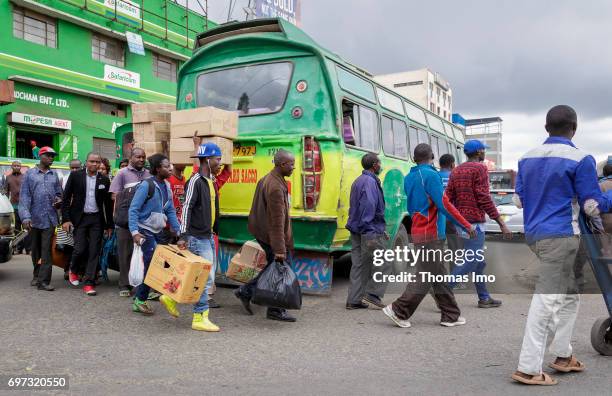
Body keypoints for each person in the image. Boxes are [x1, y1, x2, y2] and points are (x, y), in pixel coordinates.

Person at [511, 105, 612, 386]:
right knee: (548, 299)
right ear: (574, 128)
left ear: (546, 128)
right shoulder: (581, 158)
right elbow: (592, 206)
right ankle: (528, 368)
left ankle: (563, 355)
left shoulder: (526, 157)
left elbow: (519, 201)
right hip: (561, 237)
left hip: (534, 236)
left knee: (569, 296)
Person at [382, 144, 475, 328]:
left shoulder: (409, 177)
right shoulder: (431, 175)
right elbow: (444, 205)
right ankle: (398, 310)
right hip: (430, 234)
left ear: (414, 158)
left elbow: (412, 207)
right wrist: (466, 225)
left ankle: (450, 315)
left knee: (439, 276)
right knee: (425, 276)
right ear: (432, 156)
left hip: (419, 231)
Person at [159, 143, 222, 332]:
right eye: (217, 159)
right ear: (207, 160)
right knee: (204, 278)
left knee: (200, 276)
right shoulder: (196, 180)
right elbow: (186, 208)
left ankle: (170, 296)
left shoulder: (210, 180)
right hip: (196, 236)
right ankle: (199, 317)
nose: (220, 163)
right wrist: (183, 235)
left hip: (207, 235)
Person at [445, 140, 510, 308]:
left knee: (479, 262)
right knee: (471, 259)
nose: (484, 152)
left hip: (462, 223)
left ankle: (484, 297)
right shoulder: (480, 168)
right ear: (479, 152)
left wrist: (455, 220)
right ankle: (443, 290)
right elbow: (484, 197)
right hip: (474, 223)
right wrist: (500, 222)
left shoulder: (456, 170)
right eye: (483, 150)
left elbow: (448, 198)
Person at [234, 149, 297, 322]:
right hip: (272, 237)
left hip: (263, 233)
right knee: (281, 271)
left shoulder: (268, 178)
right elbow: (276, 222)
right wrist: (279, 250)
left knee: (273, 269)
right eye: (291, 164)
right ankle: (275, 310)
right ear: (282, 164)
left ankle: (245, 292)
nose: (294, 167)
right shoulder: (275, 186)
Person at [129, 153, 181, 315]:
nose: (170, 168)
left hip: (159, 231)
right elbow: (133, 209)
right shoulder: (147, 185)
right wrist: (135, 232)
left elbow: (170, 210)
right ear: (158, 169)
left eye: (170, 165)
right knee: (152, 265)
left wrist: (178, 231)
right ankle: (140, 300)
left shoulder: (166, 186)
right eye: (166, 166)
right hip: (145, 231)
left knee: (165, 263)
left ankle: (150, 295)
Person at [61, 153, 114, 296]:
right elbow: (65, 199)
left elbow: (108, 205)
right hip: (80, 218)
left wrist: (109, 225)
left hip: (96, 219)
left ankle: (89, 283)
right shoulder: (76, 176)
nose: (95, 165)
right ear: (86, 162)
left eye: (97, 162)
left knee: (94, 250)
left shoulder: (104, 179)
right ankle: (73, 269)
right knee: (79, 248)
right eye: (92, 161)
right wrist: (65, 219)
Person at [345, 153, 391, 310]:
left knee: (359, 264)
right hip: (367, 230)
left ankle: (354, 300)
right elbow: (369, 206)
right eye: (379, 162)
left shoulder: (358, 181)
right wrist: (371, 230)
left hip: (356, 229)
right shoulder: (370, 182)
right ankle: (373, 294)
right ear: (374, 165)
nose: (380, 165)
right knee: (384, 261)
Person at [18, 147, 63, 291]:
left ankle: (44, 281)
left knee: (47, 250)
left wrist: (58, 200)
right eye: (49, 156)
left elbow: (59, 193)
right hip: (34, 218)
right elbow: (24, 197)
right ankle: (36, 275)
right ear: (41, 156)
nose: (51, 158)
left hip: (50, 218)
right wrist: (25, 217)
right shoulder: (30, 174)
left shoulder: (53, 175)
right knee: (35, 250)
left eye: (53, 156)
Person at [110, 148, 150, 297]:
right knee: (125, 254)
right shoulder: (122, 173)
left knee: (142, 254)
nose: (141, 159)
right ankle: (124, 285)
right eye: (138, 157)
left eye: (143, 157)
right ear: (130, 157)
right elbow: (114, 196)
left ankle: (140, 284)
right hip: (125, 220)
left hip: (143, 221)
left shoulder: (148, 174)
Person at [438, 154, 461, 274]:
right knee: (455, 249)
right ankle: (456, 280)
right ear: (452, 164)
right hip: (452, 219)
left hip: (437, 218)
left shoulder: (435, 176)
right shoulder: (455, 177)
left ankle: (438, 279)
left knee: (437, 249)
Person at [5, 160, 30, 254]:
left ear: (21, 167)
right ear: (11, 167)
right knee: (16, 228)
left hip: (25, 206)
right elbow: (6, 192)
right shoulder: (8, 178)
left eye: (18, 166)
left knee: (27, 227)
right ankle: (18, 248)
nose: (16, 167)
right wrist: (6, 205)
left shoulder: (25, 177)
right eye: (14, 165)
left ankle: (28, 249)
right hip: (13, 206)